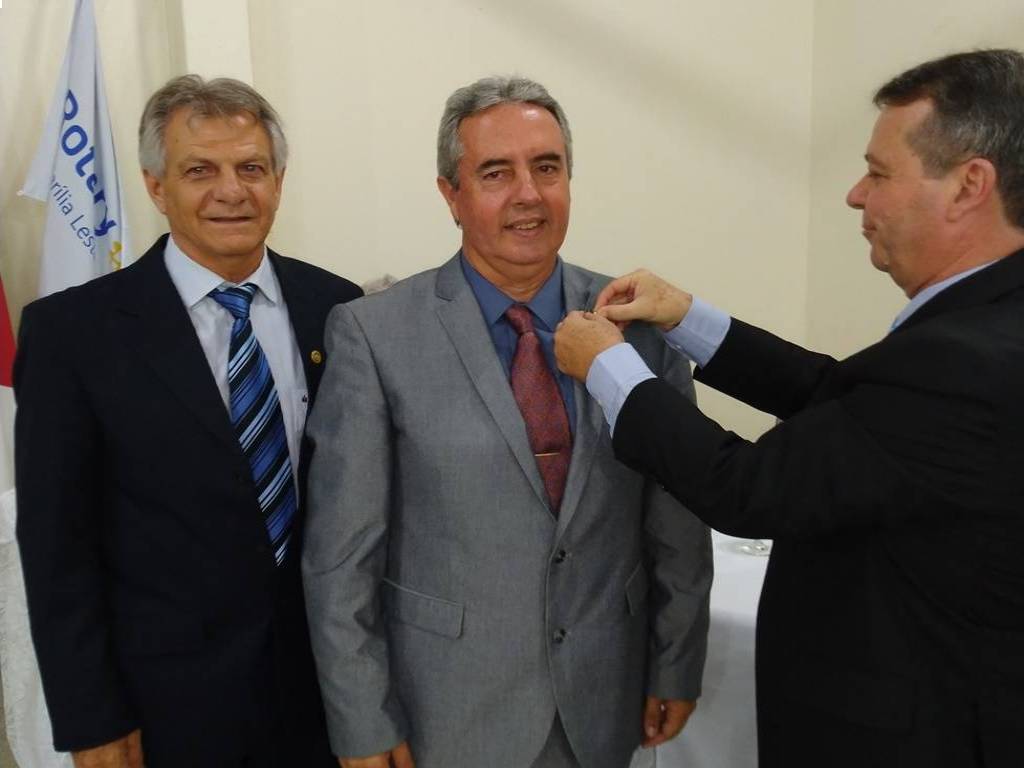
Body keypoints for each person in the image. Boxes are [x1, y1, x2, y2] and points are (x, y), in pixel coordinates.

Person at [554, 49, 1024, 768]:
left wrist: (608, 369)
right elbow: (846, 400)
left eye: (879, 173)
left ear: (969, 186)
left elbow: (745, 487)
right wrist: (688, 318)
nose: (856, 196)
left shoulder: (963, 358)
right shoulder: (987, 324)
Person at [302, 75, 712, 768]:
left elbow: (676, 520)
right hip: (447, 712)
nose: (528, 193)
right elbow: (343, 555)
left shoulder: (636, 323)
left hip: (604, 700)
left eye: (547, 168)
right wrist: (361, 717)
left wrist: (677, 660)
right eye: (496, 172)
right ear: (451, 194)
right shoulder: (374, 335)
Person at [14, 75, 362, 768]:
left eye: (251, 168)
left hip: (329, 704)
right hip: (167, 714)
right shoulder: (73, 334)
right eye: (200, 170)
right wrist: (92, 720)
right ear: (155, 186)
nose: (231, 191)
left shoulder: (340, 310)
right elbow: (57, 549)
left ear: (279, 181)